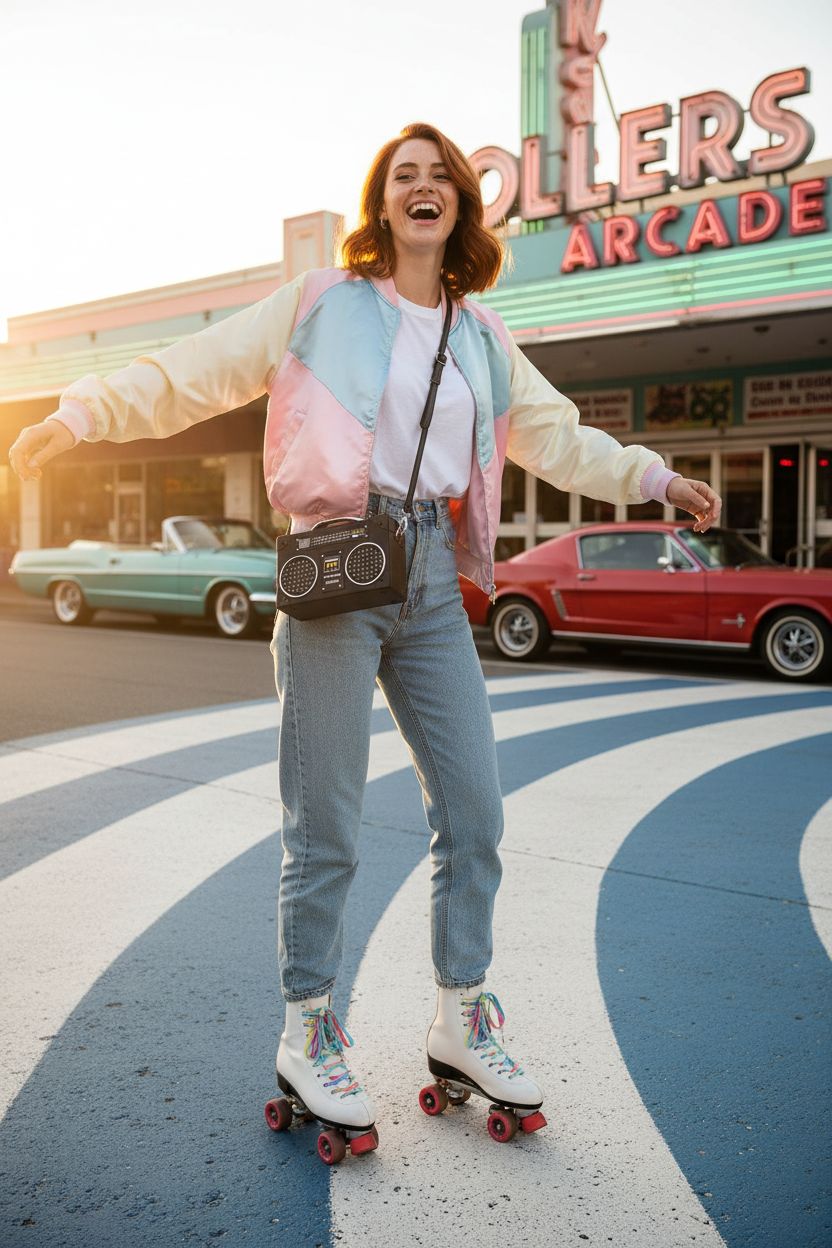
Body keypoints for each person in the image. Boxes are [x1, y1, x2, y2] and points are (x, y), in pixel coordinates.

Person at [8, 121, 722, 1156]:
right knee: (327, 824)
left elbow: (557, 436)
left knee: (475, 811)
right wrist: (77, 415)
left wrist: (655, 477)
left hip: (431, 580)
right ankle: (309, 1029)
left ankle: (462, 1016)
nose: (422, 188)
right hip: (337, 564)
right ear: (381, 204)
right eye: (403, 176)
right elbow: (195, 370)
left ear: (459, 204)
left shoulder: (482, 335)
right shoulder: (320, 303)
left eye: (439, 177)